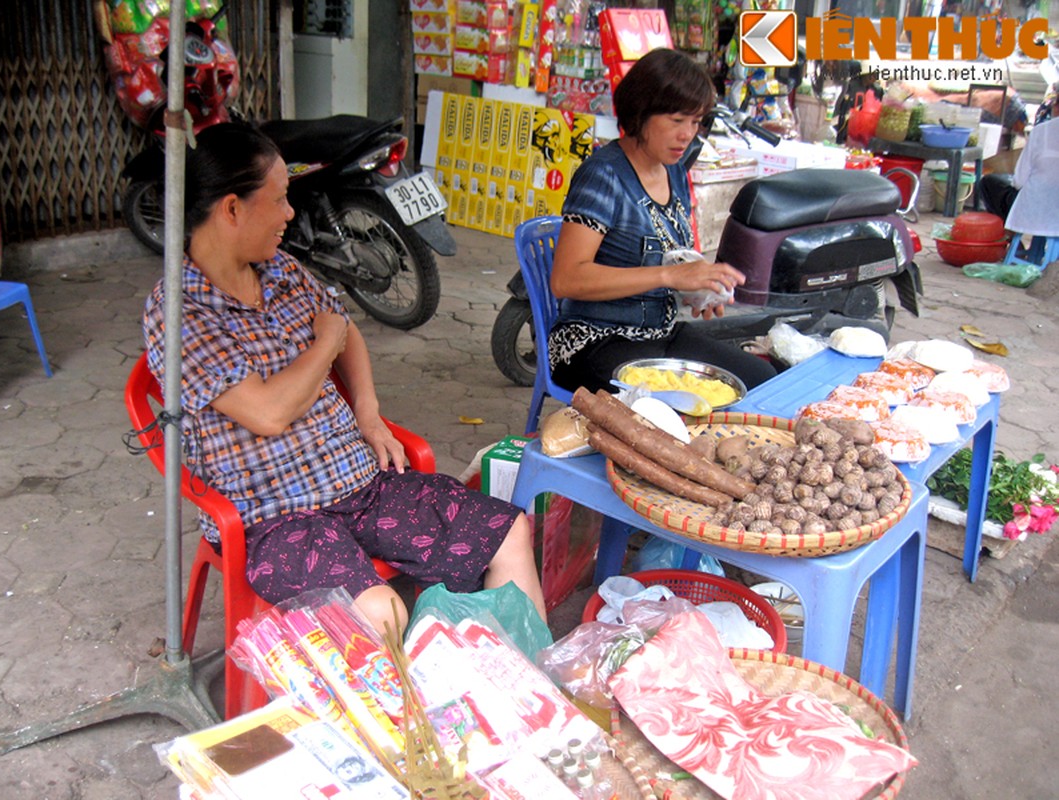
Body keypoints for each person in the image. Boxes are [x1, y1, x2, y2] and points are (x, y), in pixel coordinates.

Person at [142, 123, 546, 636]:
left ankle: (525, 686)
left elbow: (345, 329)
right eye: (281, 200)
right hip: (272, 518)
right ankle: (415, 709)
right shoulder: (178, 312)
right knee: (385, 614)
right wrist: (324, 342)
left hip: (361, 484)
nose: (290, 214)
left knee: (507, 530)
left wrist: (368, 412)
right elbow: (268, 412)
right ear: (232, 209)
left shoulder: (283, 270)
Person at [547, 48, 777, 394]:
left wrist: (700, 289)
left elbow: (675, 255)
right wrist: (671, 276)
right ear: (642, 112)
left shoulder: (674, 172)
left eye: (696, 121)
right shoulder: (603, 175)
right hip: (592, 343)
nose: (688, 134)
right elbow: (566, 279)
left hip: (661, 336)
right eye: (676, 120)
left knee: (762, 383)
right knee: (683, 407)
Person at [977, 83, 1059, 235]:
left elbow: (1019, 181)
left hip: (1038, 208)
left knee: (989, 183)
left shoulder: (1042, 132)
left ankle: (1011, 238)